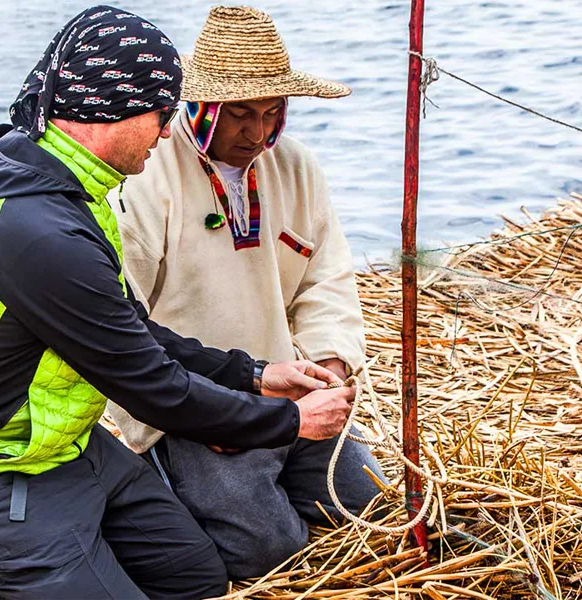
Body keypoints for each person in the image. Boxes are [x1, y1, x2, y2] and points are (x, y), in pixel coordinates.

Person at [0, 6, 357, 599]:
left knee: (195, 579)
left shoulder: (71, 188)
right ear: (110, 109)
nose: (165, 129)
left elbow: (134, 328)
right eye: (160, 112)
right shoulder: (43, 233)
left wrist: (256, 374)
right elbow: (148, 385)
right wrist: (288, 421)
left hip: (64, 445)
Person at [105, 6, 386, 580]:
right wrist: (213, 417)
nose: (256, 134)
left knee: (372, 511)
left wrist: (329, 368)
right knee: (265, 552)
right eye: (238, 115)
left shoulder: (297, 167)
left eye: (272, 113)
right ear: (197, 105)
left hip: (287, 396)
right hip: (190, 410)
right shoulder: (147, 176)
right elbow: (120, 326)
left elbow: (325, 279)